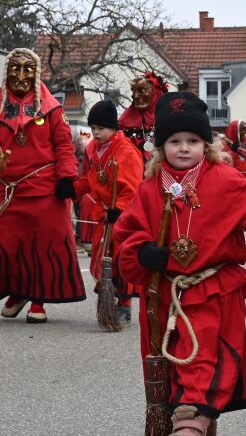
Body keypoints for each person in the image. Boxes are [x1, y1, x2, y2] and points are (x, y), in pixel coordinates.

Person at [114, 92, 246, 436]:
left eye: (193, 141)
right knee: (173, 366)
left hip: (213, 289)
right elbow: (126, 234)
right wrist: (142, 252)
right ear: (160, 146)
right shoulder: (150, 187)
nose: (183, 148)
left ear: (207, 144)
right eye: (174, 141)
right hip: (166, 294)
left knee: (202, 363)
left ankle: (189, 431)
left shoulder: (226, 179)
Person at [0, 48, 85, 323]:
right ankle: (17, 291)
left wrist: (66, 178)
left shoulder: (52, 108)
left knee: (42, 247)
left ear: (36, 74)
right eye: (15, 68)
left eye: (28, 69)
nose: (21, 75)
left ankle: (38, 300)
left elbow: (64, 146)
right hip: (7, 191)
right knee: (9, 245)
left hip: (44, 189)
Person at [73, 100, 144, 324]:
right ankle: (109, 294)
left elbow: (132, 187)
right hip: (103, 214)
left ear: (113, 128)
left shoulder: (126, 152)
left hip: (122, 215)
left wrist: (120, 209)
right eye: (93, 128)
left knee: (120, 258)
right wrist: (73, 189)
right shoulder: (93, 148)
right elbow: (90, 178)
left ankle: (124, 304)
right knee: (101, 257)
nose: (95, 132)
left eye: (100, 128)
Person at [119, 71, 169, 160]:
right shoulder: (124, 126)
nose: (136, 96)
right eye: (134, 91)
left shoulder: (170, 123)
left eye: (143, 90)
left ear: (156, 94)